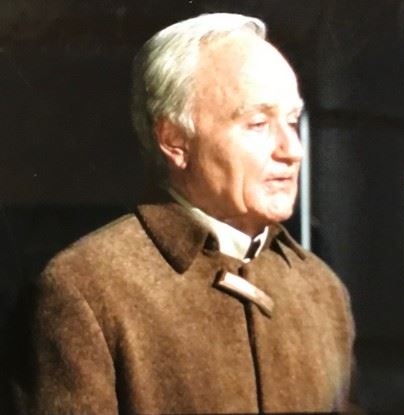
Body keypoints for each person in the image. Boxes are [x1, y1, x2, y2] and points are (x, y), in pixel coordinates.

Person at [11, 13, 356, 414]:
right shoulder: (85, 292)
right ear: (174, 141)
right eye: (258, 123)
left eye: (292, 121)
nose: (292, 150)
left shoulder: (321, 289)